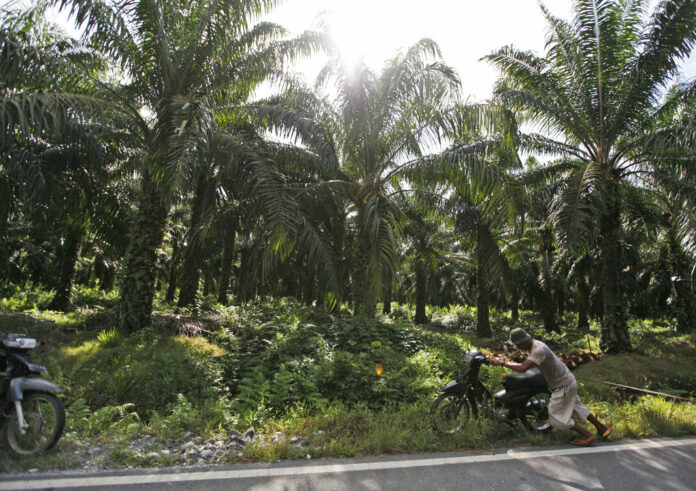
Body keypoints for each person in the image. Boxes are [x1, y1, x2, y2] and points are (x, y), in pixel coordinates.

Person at [490, 328, 612, 446]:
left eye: (518, 345)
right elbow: (530, 365)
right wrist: (506, 362)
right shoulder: (536, 344)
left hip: (563, 385)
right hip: (567, 380)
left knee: (555, 417)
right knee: (576, 406)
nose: (517, 348)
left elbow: (523, 368)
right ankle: (602, 428)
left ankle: (585, 434)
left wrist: (502, 362)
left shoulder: (538, 350)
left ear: (524, 342)